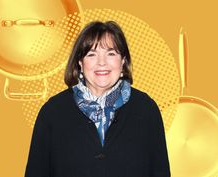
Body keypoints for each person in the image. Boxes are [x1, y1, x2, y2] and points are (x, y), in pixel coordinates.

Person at [24, 21, 171, 177]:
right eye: (92, 54)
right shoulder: (53, 113)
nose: (102, 63)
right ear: (80, 62)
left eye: (111, 53)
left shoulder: (146, 110)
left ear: (123, 61)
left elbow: (160, 172)